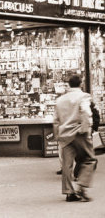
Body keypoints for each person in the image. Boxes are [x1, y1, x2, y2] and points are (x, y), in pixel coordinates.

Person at [53, 74, 97, 202]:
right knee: (90, 159)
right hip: (79, 133)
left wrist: (57, 135)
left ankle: (69, 192)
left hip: (64, 134)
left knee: (67, 165)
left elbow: (55, 120)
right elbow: (86, 113)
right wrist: (85, 129)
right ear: (81, 83)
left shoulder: (60, 100)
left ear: (69, 84)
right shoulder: (83, 96)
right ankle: (82, 186)